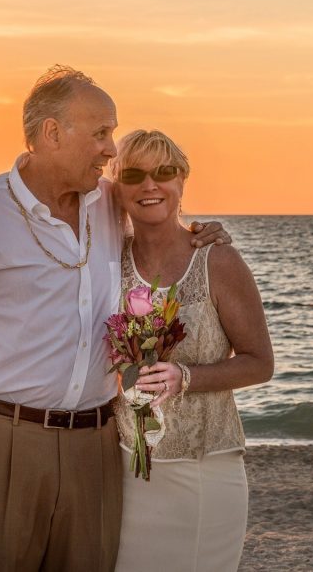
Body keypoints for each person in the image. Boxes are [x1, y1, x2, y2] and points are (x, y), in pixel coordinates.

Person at [0, 66, 232, 572]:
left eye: (112, 132)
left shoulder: (107, 203)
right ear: (51, 133)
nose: (111, 149)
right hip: (3, 442)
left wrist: (202, 232)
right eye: (101, 132)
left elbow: (156, 213)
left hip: (97, 445)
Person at [109, 129, 274, 572]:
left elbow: (261, 362)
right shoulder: (107, 262)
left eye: (164, 172)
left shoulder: (216, 260)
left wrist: (187, 378)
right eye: (134, 174)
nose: (150, 185)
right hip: (125, 472)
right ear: (115, 185)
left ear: (182, 180)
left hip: (205, 469)